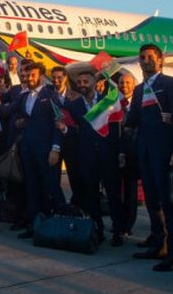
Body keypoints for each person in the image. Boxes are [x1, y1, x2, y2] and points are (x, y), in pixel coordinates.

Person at [128, 44, 173, 272]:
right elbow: (133, 119)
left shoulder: (170, 84)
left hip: (166, 154)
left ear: (160, 60)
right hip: (145, 153)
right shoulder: (140, 89)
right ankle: (158, 242)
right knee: (152, 202)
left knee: (169, 205)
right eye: (142, 58)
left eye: (150, 57)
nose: (145, 61)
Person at [1, 62, 65, 239]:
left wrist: (55, 148)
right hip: (28, 150)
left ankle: (60, 224)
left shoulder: (50, 95)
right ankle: (35, 225)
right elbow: (7, 111)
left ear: (41, 76)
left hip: (46, 150)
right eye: (27, 75)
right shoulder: (24, 96)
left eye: (33, 75)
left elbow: (58, 123)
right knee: (32, 188)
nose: (29, 78)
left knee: (51, 187)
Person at [62, 69, 124, 246]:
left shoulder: (107, 102)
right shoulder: (74, 106)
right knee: (91, 195)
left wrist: (120, 152)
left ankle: (117, 230)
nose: (82, 85)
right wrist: (64, 128)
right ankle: (98, 229)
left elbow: (116, 129)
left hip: (108, 155)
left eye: (85, 81)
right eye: (79, 82)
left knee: (113, 195)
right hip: (87, 156)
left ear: (94, 83)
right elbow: (73, 131)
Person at [49, 66, 84, 208]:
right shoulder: (48, 95)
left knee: (75, 178)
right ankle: (60, 207)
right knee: (53, 179)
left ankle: (77, 207)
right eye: (54, 78)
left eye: (59, 78)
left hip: (71, 143)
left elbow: (80, 122)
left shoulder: (76, 97)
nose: (56, 81)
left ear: (65, 78)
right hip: (53, 144)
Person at [118, 70, 140, 237]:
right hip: (116, 152)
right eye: (121, 83)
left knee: (131, 191)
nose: (124, 86)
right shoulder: (112, 103)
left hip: (134, 152)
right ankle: (118, 222)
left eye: (127, 83)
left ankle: (128, 224)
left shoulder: (139, 103)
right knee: (116, 190)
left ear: (134, 85)